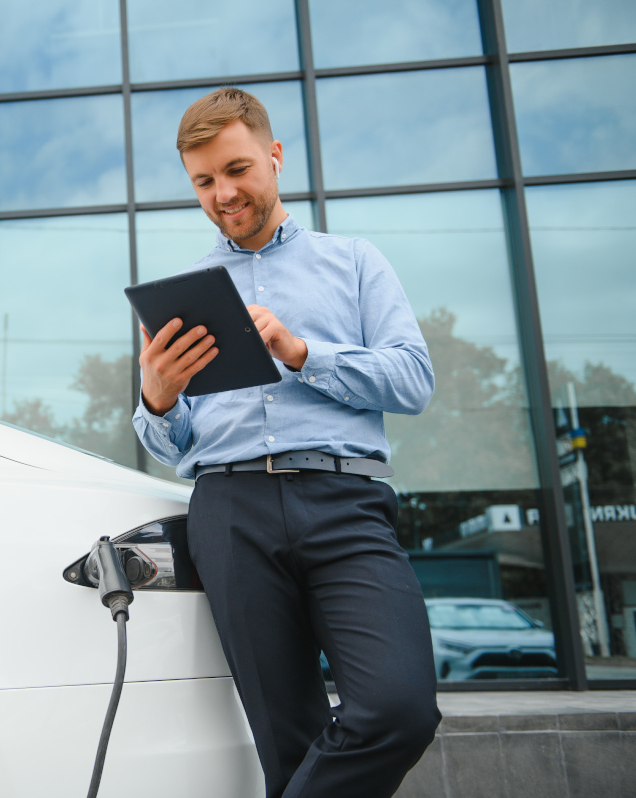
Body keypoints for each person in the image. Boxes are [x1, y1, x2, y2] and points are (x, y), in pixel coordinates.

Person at [133, 87, 441, 798]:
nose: (224, 193)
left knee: (398, 708)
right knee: (288, 741)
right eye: (204, 181)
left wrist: (302, 352)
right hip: (230, 510)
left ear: (274, 156)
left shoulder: (356, 261)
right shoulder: (182, 298)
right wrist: (157, 397)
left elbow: (414, 380)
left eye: (237, 169)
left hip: (345, 501)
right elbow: (171, 441)